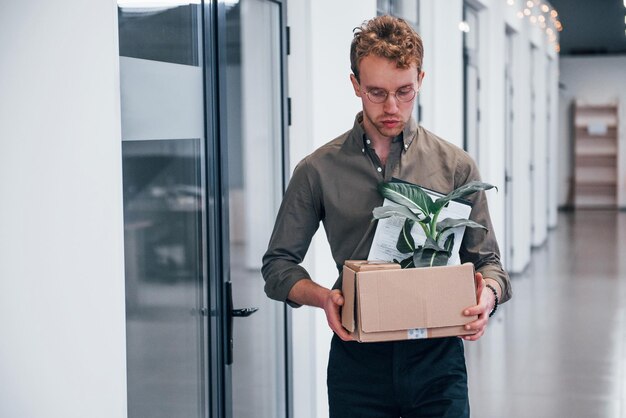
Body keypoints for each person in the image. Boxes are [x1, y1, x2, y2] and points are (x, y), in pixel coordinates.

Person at [262, 15, 511, 418]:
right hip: (358, 362)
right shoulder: (317, 170)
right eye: (376, 93)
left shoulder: (455, 166)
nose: (392, 107)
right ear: (355, 85)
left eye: (404, 91)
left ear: (421, 79)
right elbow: (278, 266)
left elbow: (490, 264)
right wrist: (324, 298)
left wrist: (487, 297)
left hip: (437, 360)